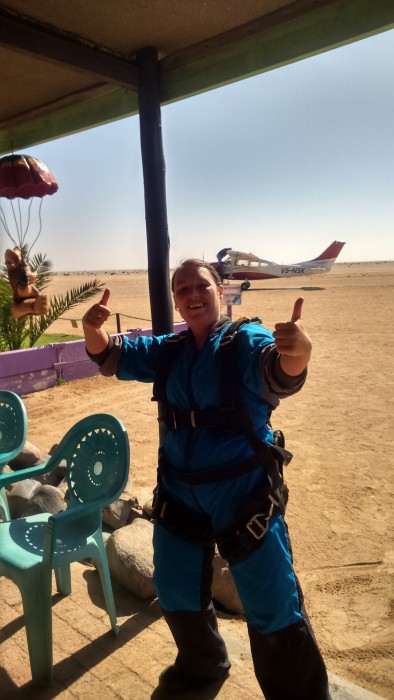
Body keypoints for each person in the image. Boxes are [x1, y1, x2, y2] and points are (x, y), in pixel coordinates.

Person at [82, 259, 331, 699]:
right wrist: (93, 330)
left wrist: (298, 355)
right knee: (175, 588)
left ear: (222, 292)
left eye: (201, 285)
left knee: (273, 603)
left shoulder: (245, 340)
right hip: (179, 492)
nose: (191, 294)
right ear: (176, 299)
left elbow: (277, 370)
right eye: (182, 288)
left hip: (243, 495)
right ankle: (201, 669)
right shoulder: (172, 349)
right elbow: (113, 355)